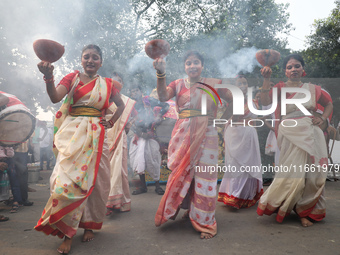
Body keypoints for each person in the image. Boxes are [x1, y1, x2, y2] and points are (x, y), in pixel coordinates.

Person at [34, 44, 125, 254]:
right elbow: (55, 97)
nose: (90, 60)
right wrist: (48, 77)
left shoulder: (109, 84)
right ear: (81, 60)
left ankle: (87, 226)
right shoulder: (72, 78)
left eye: (95, 57)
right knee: (64, 182)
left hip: (97, 136)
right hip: (72, 135)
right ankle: (67, 230)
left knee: (95, 182)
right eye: (87, 57)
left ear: (101, 62)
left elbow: (120, 105)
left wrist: (111, 123)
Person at [153, 50, 231, 239]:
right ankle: (189, 210)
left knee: (205, 178)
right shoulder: (178, 84)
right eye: (188, 63)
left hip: (208, 133)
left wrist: (224, 121)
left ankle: (205, 222)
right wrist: (160, 73)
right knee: (184, 173)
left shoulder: (213, 84)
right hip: (183, 135)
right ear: (184, 67)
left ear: (202, 65)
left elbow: (233, 99)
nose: (192, 66)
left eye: (196, 62)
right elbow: (163, 97)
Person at [257, 54, 333, 227]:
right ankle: (295, 208)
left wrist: (323, 118)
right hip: (290, 131)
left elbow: (328, 104)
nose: (293, 70)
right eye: (289, 67)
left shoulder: (313, 88)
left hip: (311, 131)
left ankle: (307, 209)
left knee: (314, 173)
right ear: (285, 71)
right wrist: (266, 79)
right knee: (293, 172)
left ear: (303, 69)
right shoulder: (279, 87)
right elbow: (265, 101)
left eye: (297, 66)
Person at [218, 75, 263, 209]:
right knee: (235, 165)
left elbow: (255, 120)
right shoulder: (231, 102)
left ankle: (246, 195)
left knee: (249, 167)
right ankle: (234, 196)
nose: (243, 86)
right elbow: (226, 118)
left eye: (244, 83)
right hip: (235, 134)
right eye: (239, 84)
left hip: (249, 135)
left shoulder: (254, 101)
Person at [128, 85, 169, 195]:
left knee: (154, 160)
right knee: (137, 160)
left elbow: (166, 106)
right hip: (137, 136)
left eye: (136, 90)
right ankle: (143, 187)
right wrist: (140, 133)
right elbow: (128, 122)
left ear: (141, 91)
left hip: (151, 135)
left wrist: (159, 116)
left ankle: (157, 186)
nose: (134, 93)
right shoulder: (130, 105)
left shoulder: (149, 100)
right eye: (132, 92)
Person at [106, 72, 136, 215]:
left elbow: (134, 116)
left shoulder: (126, 101)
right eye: (114, 80)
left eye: (119, 81)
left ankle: (119, 202)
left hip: (120, 137)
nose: (116, 82)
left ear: (122, 85)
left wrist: (129, 123)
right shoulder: (103, 97)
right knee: (105, 170)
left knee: (120, 170)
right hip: (104, 135)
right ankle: (105, 201)